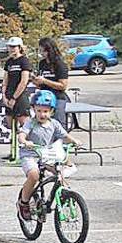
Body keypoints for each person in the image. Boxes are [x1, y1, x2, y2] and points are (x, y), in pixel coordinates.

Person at [16, 90, 81, 221]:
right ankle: (23, 202)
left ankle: (64, 196)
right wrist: (25, 141)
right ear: (33, 109)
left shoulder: (54, 124)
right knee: (34, 175)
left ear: (51, 111)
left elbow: (64, 136)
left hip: (47, 154)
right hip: (31, 154)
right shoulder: (31, 123)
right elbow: (22, 135)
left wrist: (74, 141)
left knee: (61, 171)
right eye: (39, 111)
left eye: (45, 111)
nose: (42, 114)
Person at [1, 36, 32, 161]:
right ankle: (13, 151)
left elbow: (24, 81)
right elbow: (5, 80)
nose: (12, 49)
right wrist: (4, 96)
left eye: (14, 47)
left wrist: (14, 97)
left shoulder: (24, 61)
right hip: (8, 96)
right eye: (10, 46)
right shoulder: (9, 62)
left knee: (24, 125)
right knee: (11, 125)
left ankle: (29, 151)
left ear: (20, 47)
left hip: (20, 97)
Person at [32, 37, 70, 127]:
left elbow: (63, 86)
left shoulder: (60, 65)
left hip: (57, 97)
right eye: (40, 51)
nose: (42, 53)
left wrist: (45, 81)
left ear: (50, 50)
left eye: (43, 51)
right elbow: (40, 84)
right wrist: (35, 80)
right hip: (43, 97)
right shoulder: (42, 64)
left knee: (58, 124)